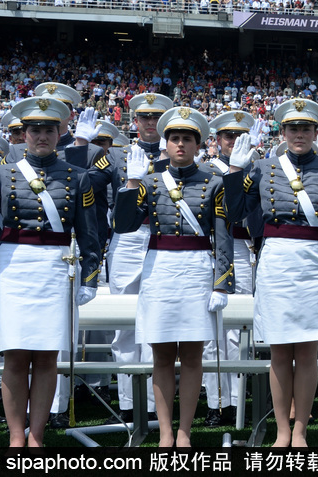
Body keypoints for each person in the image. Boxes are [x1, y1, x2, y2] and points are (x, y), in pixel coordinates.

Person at [225, 99, 318, 448]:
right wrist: (235, 173)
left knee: (308, 352)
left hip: (314, 261)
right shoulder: (264, 168)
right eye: (292, 128)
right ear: (282, 132)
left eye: (306, 128)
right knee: (280, 353)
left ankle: (300, 431)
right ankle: (283, 431)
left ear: (317, 132)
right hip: (276, 261)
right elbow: (235, 212)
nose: (299, 134)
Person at [113, 106, 233, 447]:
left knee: (193, 356)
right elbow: (123, 225)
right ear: (165, 144)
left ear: (199, 145)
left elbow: (222, 236)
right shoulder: (150, 182)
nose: (180, 144)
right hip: (159, 267)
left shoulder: (214, 183)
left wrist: (221, 281)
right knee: (162, 356)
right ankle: (165, 433)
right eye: (175, 138)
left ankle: (184, 433)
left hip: (196, 268)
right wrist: (131, 183)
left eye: (187, 139)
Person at [0, 96, 100, 447]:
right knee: (14, 356)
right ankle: (15, 437)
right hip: (12, 268)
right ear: (23, 134)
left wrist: (90, 278)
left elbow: (90, 235)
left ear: (61, 134)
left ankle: (37, 436)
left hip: (55, 271)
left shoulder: (79, 177)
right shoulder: (4, 174)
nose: (41, 136)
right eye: (34, 130)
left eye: (49, 130)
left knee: (46, 358)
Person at [84, 93, 174, 423]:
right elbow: (83, 186)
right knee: (124, 327)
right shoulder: (115, 158)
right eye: (144, 117)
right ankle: (125, 405)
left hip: (164, 237)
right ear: (134, 121)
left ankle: (153, 407)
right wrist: (83, 144)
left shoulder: (178, 155)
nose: (150, 123)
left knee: (156, 327)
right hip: (127, 239)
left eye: (156, 117)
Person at [202, 110, 265, 427]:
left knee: (238, 329)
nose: (233, 142)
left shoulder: (255, 171)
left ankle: (237, 399)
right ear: (216, 140)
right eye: (228, 136)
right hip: (209, 249)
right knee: (211, 332)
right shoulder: (205, 170)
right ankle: (216, 401)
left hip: (241, 248)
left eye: (241, 138)